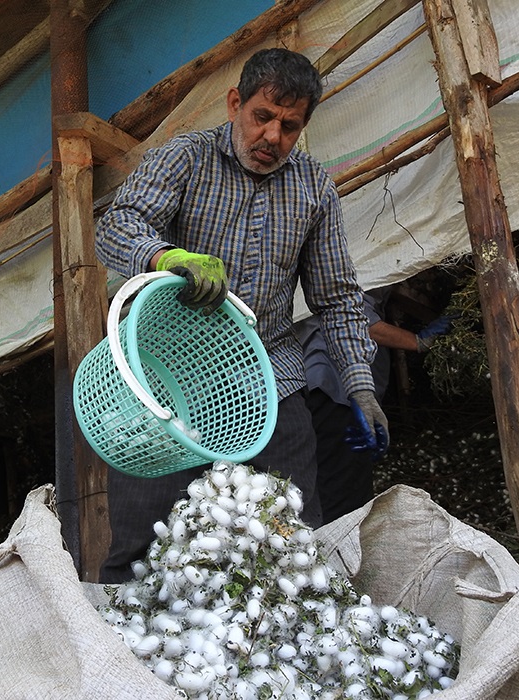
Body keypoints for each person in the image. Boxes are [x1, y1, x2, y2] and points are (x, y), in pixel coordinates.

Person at [93, 47, 385, 583]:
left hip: (267, 380)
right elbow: (116, 227)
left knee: (294, 540)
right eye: (262, 116)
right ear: (235, 104)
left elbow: (338, 297)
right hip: (166, 380)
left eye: (289, 126)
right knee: (141, 552)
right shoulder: (186, 157)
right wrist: (166, 257)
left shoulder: (314, 188)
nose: (272, 136)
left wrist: (360, 387)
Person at [296, 289, 453, 523]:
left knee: (322, 486)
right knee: (344, 500)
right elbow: (359, 319)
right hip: (337, 392)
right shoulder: (351, 276)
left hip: (316, 387)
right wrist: (417, 341)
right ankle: (336, 543)